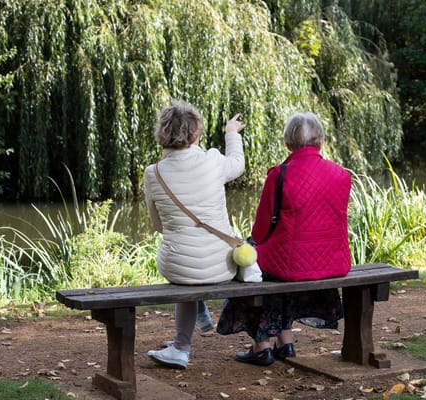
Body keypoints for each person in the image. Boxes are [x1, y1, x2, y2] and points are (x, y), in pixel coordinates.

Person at [216, 112, 352, 366]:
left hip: (291, 264)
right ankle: (285, 340)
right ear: (320, 141)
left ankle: (262, 345)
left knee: (251, 263)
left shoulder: (280, 174)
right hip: (333, 262)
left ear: (288, 143)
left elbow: (260, 232)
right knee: (282, 265)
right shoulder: (342, 175)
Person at [143, 101, 246, 369]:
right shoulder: (213, 161)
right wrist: (231, 133)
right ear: (197, 134)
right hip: (223, 266)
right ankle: (193, 321)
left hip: (179, 269)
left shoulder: (153, 174)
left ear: (162, 133)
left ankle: (181, 347)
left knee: (182, 261)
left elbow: (157, 225)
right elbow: (237, 164)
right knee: (195, 260)